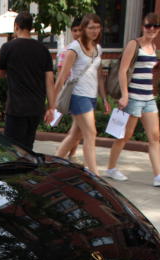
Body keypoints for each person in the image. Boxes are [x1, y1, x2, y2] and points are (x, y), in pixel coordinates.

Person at [105, 13, 160, 187]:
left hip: (148, 98)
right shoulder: (134, 44)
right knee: (125, 136)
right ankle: (111, 168)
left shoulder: (153, 46)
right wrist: (124, 95)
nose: (151, 29)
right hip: (133, 98)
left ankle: (158, 175)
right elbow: (123, 71)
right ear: (143, 26)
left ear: (159, 29)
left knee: (154, 137)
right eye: (148, 26)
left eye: (155, 26)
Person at [54, 14, 110, 175]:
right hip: (78, 96)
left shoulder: (98, 49)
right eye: (91, 27)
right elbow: (62, 76)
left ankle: (54, 165)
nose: (95, 31)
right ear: (84, 29)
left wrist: (104, 98)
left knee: (74, 136)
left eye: (97, 27)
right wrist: (51, 103)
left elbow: (99, 75)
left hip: (91, 96)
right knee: (91, 133)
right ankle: (94, 174)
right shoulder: (74, 48)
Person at [0, 11, 55, 151]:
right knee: (28, 147)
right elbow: (50, 81)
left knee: (11, 148)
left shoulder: (8, 47)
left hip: (16, 107)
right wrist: (51, 107)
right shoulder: (43, 50)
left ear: (16, 26)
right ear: (31, 28)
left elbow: (0, 74)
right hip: (36, 107)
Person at [55, 18, 83, 162]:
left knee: (79, 128)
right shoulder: (67, 51)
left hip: (84, 93)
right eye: (74, 30)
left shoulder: (90, 50)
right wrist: (56, 97)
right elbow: (61, 75)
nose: (77, 33)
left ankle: (71, 154)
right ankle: (64, 157)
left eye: (79, 30)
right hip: (72, 93)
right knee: (79, 127)